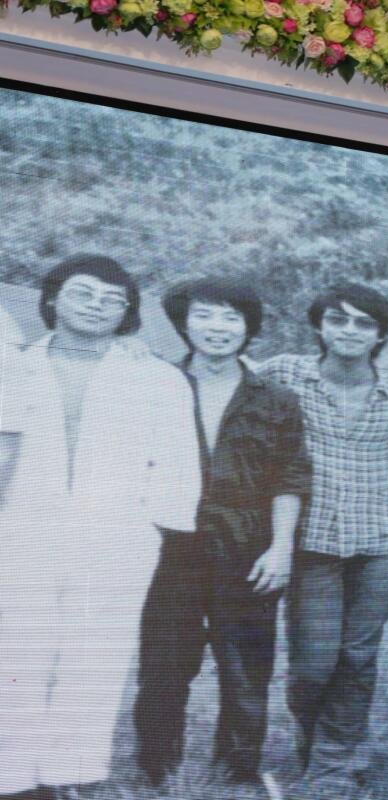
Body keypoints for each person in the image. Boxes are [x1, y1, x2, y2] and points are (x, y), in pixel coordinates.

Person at [0, 255, 202, 797]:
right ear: (52, 298)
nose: (97, 307)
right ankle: (13, 776)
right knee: (16, 650)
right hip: (22, 529)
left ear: (129, 313)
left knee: (95, 653)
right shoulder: (14, 365)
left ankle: (71, 773)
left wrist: (150, 530)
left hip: (117, 535)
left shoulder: (157, 378)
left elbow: (179, 464)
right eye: (83, 293)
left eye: (113, 300)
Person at [132, 278, 311, 789]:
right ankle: (156, 764)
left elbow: (291, 475)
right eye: (205, 315)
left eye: (232, 317)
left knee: (247, 665)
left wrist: (281, 547)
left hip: (247, 546)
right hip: (170, 546)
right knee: (165, 661)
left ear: (249, 329)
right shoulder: (156, 385)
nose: (218, 328)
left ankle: (237, 768)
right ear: (184, 323)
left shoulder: (275, 398)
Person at [256, 283, 388, 797]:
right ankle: (313, 740)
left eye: (364, 323)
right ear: (319, 326)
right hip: (312, 538)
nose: (350, 331)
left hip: (383, 538)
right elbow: (221, 374)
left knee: (357, 657)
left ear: (381, 335)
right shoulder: (285, 372)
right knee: (314, 660)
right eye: (338, 320)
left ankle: (334, 763)